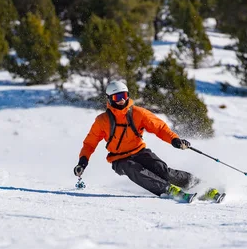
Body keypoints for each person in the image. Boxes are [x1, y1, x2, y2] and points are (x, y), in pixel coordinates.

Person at [73, 80, 211, 202]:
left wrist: (174, 140)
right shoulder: (102, 121)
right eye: (117, 97)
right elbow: (90, 143)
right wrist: (82, 162)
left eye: (124, 96)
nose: (121, 100)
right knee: (133, 168)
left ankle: (199, 184)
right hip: (119, 159)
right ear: (109, 99)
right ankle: (167, 189)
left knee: (162, 170)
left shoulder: (138, 113)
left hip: (140, 151)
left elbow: (159, 128)